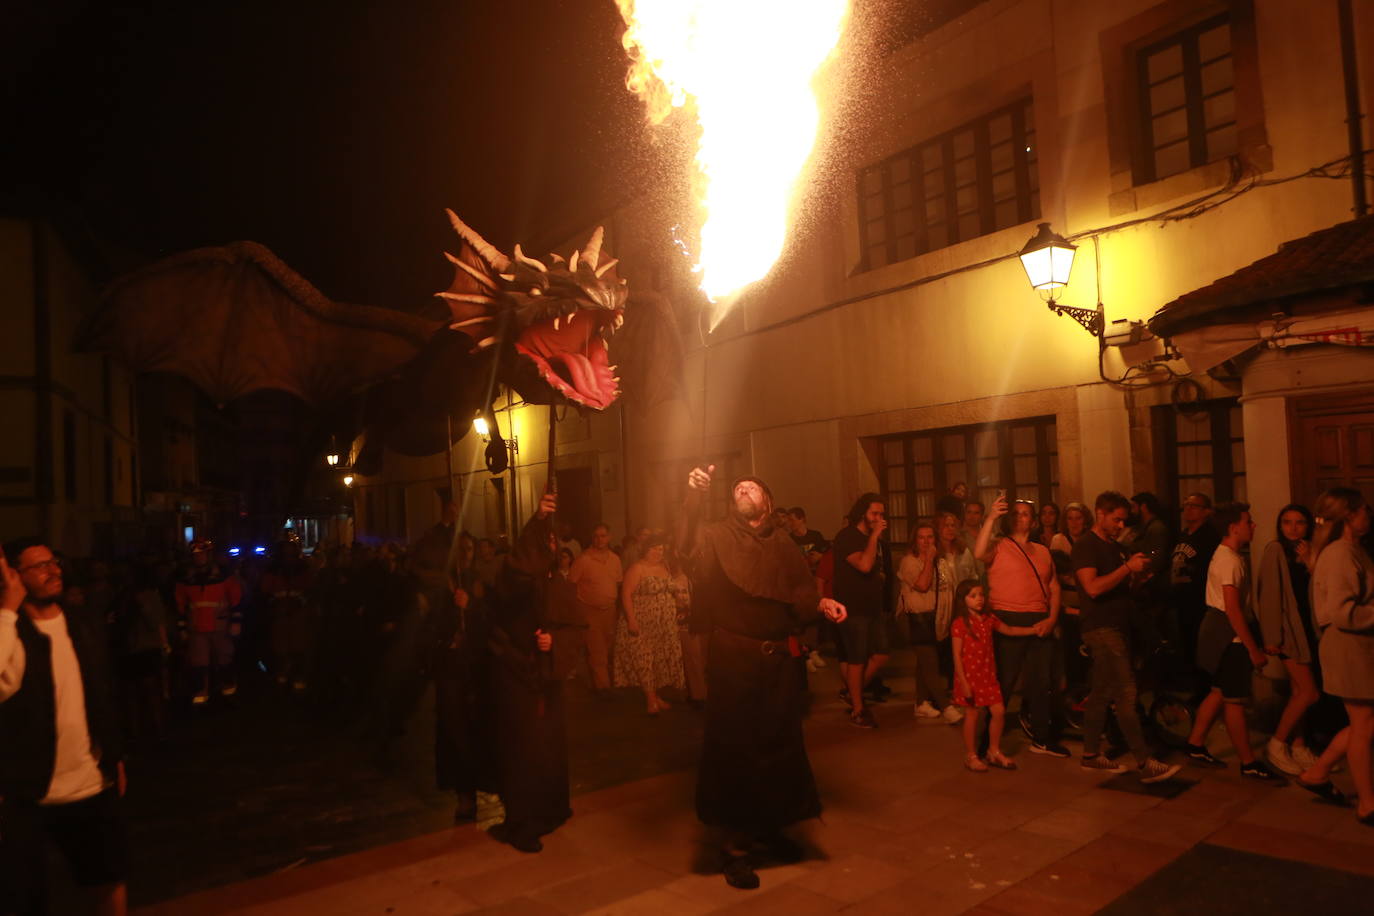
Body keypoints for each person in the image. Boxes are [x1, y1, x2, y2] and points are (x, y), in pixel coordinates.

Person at [681, 465, 846, 890]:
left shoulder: (784, 544)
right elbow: (684, 546)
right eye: (737, 487)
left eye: (751, 486)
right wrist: (693, 498)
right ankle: (734, 848)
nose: (743, 489)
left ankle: (769, 829)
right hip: (733, 662)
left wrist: (823, 604)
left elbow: (800, 592)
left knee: (776, 748)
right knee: (736, 753)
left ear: (767, 503)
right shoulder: (717, 535)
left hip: (776, 666)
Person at [2, 541, 128, 916]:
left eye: (53, 561)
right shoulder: (12, 629)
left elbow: (102, 692)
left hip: (91, 781)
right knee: (25, 894)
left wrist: (115, 754)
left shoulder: (81, 622)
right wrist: (8, 607)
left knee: (107, 877)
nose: (52, 570)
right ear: (14, 576)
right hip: (29, 792)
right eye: (38, 566)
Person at [1073, 492, 1183, 783]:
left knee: (1100, 694)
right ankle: (1144, 762)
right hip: (1101, 628)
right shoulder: (1087, 545)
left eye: (1123, 519)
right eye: (1116, 518)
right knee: (1126, 693)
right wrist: (1126, 569)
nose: (1121, 524)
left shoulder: (1116, 547)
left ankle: (1090, 755)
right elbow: (1093, 588)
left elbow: (1120, 590)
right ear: (1100, 513)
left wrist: (1136, 577)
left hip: (1119, 626)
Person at [485, 489, 569, 853]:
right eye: (542, 542)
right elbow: (520, 568)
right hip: (516, 672)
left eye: (552, 541)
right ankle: (520, 823)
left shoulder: (558, 584)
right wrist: (536, 522)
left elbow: (572, 627)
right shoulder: (514, 580)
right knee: (520, 750)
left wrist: (555, 643)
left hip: (547, 677)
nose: (548, 546)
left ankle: (547, 812)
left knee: (547, 750)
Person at [1183, 502, 1282, 780]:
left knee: (1218, 692)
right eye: (1248, 521)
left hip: (1224, 633)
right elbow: (1233, 609)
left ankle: (1195, 743)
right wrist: (1253, 650)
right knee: (1235, 701)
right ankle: (1249, 762)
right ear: (1233, 527)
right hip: (1230, 638)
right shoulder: (1230, 560)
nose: (1253, 526)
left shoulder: (1230, 556)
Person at [1294, 488, 1374, 820]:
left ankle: (1318, 772)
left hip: (1354, 646)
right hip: (1349, 647)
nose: (1370, 515)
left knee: (1364, 723)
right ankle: (1368, 804)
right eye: (1365, 510)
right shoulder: (1341, 553)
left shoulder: (1346, 550)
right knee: (1364, 726)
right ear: (1351, 516)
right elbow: (1342, 612)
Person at [975, 494, 1066, 757]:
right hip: (1007, 616)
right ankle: (986, 741)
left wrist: (1051, 618)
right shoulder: (999, 545)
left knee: (1041, 681)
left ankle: (1042, 737)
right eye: (1014, 513)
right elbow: (979, 552)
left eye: (1024, 513)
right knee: (1003, 680)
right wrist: (991, 517)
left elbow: (1054, 587)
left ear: (1034, 521)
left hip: (1038, 618)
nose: (1019, 517)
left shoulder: (1043, 551)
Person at [1255, 503, 1322, 775]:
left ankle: (1299, 744)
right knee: (1309, 692)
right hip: (1288, 633)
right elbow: (1268, 596)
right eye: (1287, 523)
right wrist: (1271, 636)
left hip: (1306, 630)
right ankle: (1277, 743)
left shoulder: (1306, 551)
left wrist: (1309, 561)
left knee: (1298, 693)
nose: (1293, 529)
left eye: (1299, 523)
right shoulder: (1276, 549)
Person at [952, 579, 1036, 771]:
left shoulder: (989, 619)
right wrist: (963, 681)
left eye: (981, 595)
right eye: (972, 596)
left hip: (988, 675)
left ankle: (994, 750)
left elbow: (1010, 630)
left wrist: (1033, 630)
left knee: (998, 711)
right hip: (970, 677)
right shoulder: (960, 623)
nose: (979, 599)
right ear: (963, 599)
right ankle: (971, 755)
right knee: (972, 714)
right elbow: (956, 654)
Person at [833, 493, 892, 728]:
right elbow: (864, 565)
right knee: (856, 658)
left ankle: (851, 692)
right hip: (852, 607)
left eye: (881, 514)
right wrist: (876, 536)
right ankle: (858, 708)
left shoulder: (875, 541)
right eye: (874, 514)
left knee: (882, 653)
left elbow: (876, 571)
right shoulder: (847, 536)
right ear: (862, 514)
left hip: (873, 607)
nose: (879, 518)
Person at [613, 533, 686, 714]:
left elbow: (670, 588)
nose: (658, 552)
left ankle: (656, 695)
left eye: (661, 549)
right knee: (643, 659)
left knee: (658, 660)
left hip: (663, 624)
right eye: (654, 549)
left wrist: (678, 604)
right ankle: (650, 699)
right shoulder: (637, 568)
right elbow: (626, 595)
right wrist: (631, 620)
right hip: (642, 621)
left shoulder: (664, 567)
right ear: (645, 550)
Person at [899, 523, 959, 723]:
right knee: (930, 663)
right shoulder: (909, 562)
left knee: (924, 663)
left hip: (936, 618)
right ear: (914, 541)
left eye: (930, 537)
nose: (926, 542)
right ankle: (946, 706)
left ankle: (921, 703)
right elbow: (923, 585)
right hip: (917, 619)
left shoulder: (939, 561)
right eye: (921, 538)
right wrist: (928, 559)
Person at [174, 538, 243, 704]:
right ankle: (200, 693)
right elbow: (180, 604)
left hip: (221, 626)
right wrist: (182, 628)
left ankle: (228, 690)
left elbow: (236, 598)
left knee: (225, 658)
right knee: (198, 663)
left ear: (209, 555)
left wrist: (235, 622)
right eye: (195, 555)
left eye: (202, 554)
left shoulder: (224, 575)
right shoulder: (186, 578)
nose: (199, 558)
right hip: (197, 628)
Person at [1169, 492, 1220, 680]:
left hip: (1199, 601)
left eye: (1194, 506)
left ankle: (1205, 689)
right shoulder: (1183, 535)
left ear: (1206, 511)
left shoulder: (1209, 536)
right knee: (1187, 645)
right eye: (1186, 505)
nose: (1188, 509)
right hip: (1181, 600)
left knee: (1201, 647)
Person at [568, 524, 623, 694]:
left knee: (606, 647)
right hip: (590, 611)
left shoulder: (615, 559)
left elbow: (618, 584)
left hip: (610, 610)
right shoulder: (583, 560)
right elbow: (571, 585)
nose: (600, 539)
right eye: (596, 536)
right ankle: (603, 687)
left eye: (603, 535)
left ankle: (598, 680)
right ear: (592, 538)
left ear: (609, 537)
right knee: (597, 649)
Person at [259, 539, 315, 691]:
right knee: (281, 646)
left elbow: (310, 589)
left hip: (297, 613)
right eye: (286, 552)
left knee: (298, 645)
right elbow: (265, 591)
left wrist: (301, 602)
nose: (288, 555)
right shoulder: (273, 569)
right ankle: (283, 673)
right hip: (280, 613)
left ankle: (297, 674)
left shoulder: (302, 568)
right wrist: (273, 604)